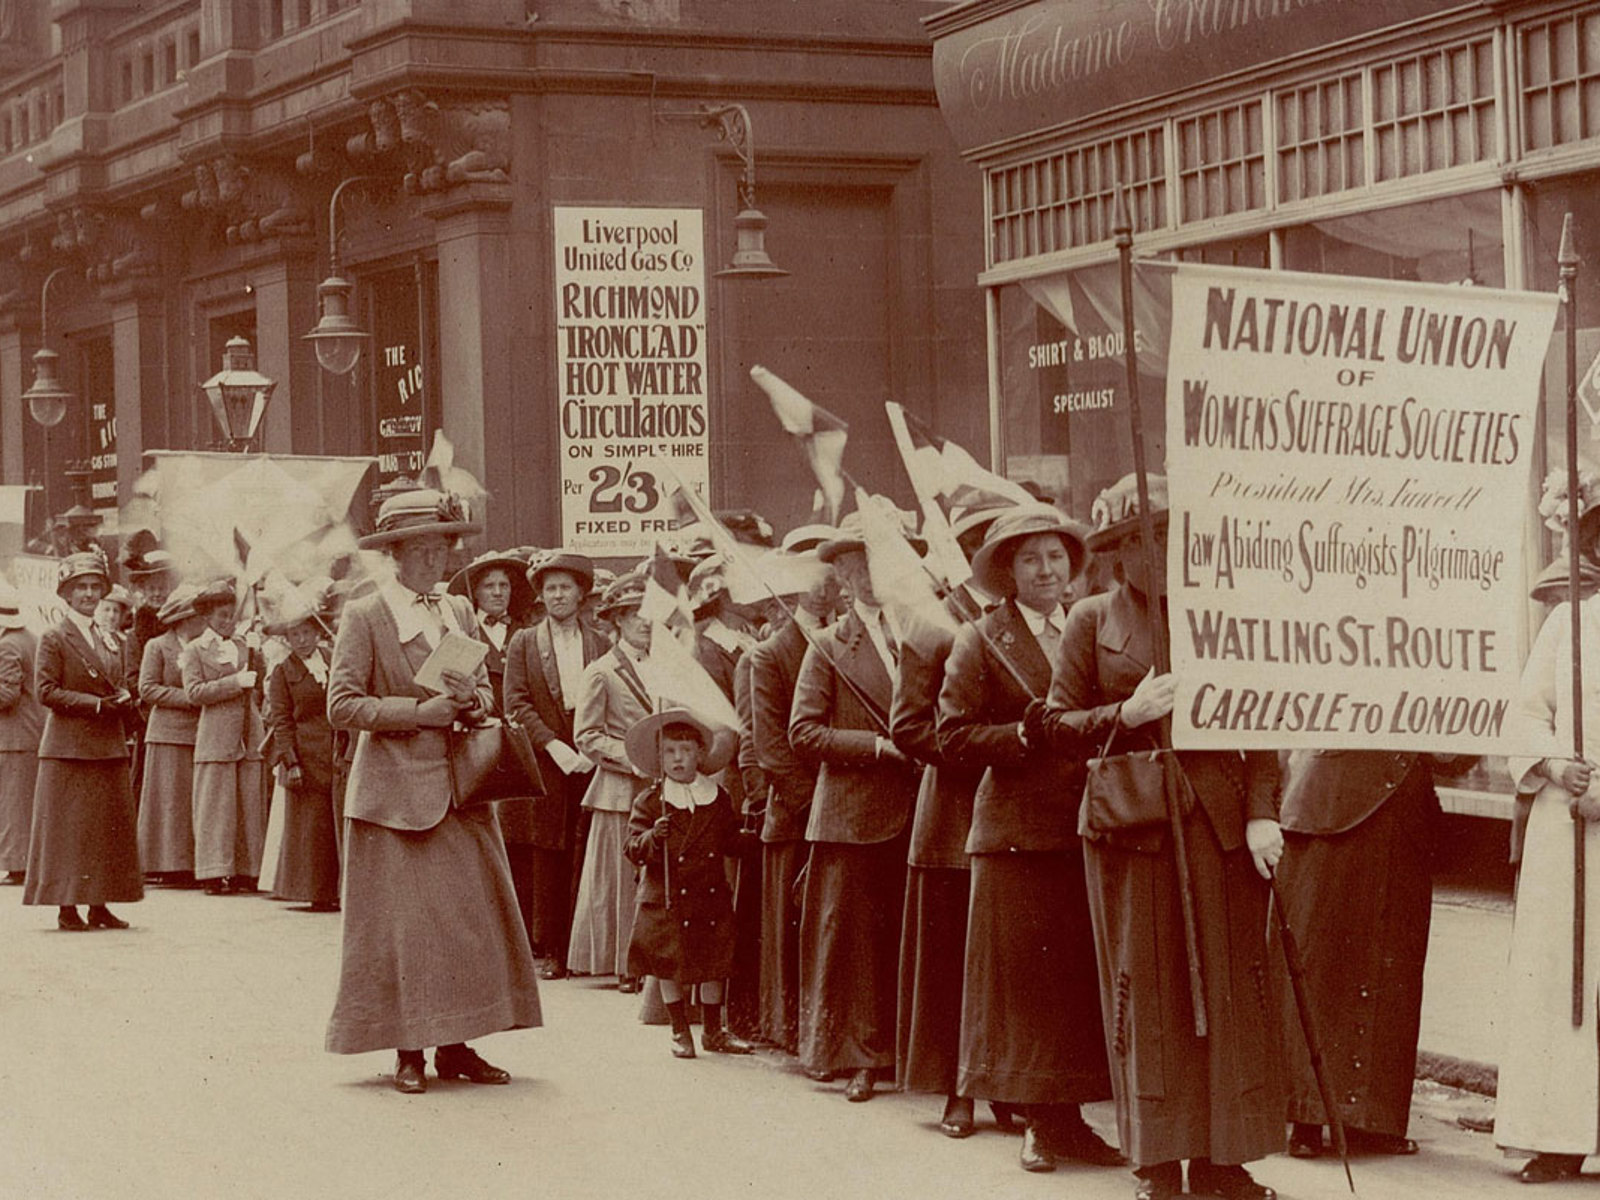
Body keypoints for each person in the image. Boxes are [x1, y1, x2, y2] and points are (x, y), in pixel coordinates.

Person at [1024, 474, 1285, 1200]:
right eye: (1142, 538)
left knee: (1229, 995)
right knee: (1150, 998)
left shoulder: (1223, 613)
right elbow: (1055, 729)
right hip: (1136, 832)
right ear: (1114, 552)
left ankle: (1222, 1159)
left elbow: (1259, 723)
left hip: (1221, 829)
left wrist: (1263, 809)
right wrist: (1131, 713)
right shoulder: (1090, 622)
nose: (1160, 551)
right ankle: (1157, 1163)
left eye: (1171, 534)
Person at [325, 486, 541, 1094]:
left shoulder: (460, 613)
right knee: (406, 930)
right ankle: (408, 1050)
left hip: (460, 788)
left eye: (440, 548)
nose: (432, 560)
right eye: (418, 550)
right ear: (393, 554)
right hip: (394, 797)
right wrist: (423, 713)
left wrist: (474, 701)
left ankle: (458, 1043)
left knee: (467, 923)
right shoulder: (366, 615)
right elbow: (341, 706)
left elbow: (484, 693)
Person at [939, 506, 1119, 1169]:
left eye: (1056, 557)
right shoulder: (981, 640)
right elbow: (951, 737)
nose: (1047, 570)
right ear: (1007, 574)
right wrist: (1022, 735)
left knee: (1076, 981)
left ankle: (1073, 1119)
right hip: (1016, 830)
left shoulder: (1095, 627)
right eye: (1030, 560)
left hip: (1090, 825)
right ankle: (1039, 1123)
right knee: (1028, 986)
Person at [1277, 750, 1468, 1160]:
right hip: (1327, 807)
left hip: (1401, 817)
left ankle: (1372, 1118)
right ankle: (1307, 1114)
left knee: (1391, 965)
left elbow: (1455, 753)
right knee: (1318, 958)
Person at [789, 516, 921, 1102]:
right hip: (853, 814)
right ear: (842, 574)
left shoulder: (922, 634)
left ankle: (908, 1051)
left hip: (920, 809)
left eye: (883, 561)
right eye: (860, 564)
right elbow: (804, 733)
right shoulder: (827, 645)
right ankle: (860, 1054)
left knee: (907, 934)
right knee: (859, 941)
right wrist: (876, 747)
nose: (872, 576)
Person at [1497, 491, 1600, 1182]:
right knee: (1559, 982)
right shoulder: (1570, 626)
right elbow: (1523, 718)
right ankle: (1557, 1135)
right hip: (1568, 836)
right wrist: (1560, 764)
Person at [748, 530, 838, 1053]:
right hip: (798, 810)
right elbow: (771, 748)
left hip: (845, 810)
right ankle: (791, 1029)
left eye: (832, 580)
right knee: (792, 925)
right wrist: (810, 803)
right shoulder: (772, 654)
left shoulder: (850, 639)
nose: (826, 591)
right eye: (817, 581)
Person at [623, 707, 756, 1058]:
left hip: (708, 893)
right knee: (668, 962)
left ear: (700, 753)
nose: (678, 758)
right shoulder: (651, 801)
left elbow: (727, 839)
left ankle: (713, 1030)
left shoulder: (716, 797)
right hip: (666, 896)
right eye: (669, 751)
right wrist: (653, 836)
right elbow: (632, 848)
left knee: (714, 961)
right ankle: (680, 1030)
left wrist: (752, 835)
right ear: (659, 757)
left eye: (685, 751)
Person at [23, 549, 143, 931]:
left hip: (107, 745)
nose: (90, 595)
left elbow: (118, 681)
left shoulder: (110, 638)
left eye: (95, 587)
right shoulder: (55, 637)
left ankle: (100, 903)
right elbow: (46, 691)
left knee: (105, 827)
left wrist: (123, 700)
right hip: (69, 747)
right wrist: (95, 705)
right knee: (70, 829)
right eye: (81, 588)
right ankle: (67, 906)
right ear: (67, 594)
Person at [503, 550, 607, 979]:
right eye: (550, 589)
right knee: (547, 852)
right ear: (541, 597)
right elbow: (515, 702)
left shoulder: (600, 640)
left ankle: (580, 948)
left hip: (590, 751)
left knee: (584, 846)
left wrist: (590, 744)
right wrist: (551, 745)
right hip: (546, 759)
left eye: (566, 587)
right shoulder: (525, 641)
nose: (558, 596)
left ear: (582, 593)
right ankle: (547, 948)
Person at [449, 550, 540, 939]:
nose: (498, 592)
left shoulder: (525, 631)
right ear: (476, 595)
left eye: (504, 585)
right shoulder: (465, 636)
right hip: (481, 742)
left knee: (522, 835)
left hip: (521, 745)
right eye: (489, 586)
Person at [570, 574, 654, 988]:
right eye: (634, 615)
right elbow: (586, 736)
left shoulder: (667, 666)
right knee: (620, 879)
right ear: (617, 620)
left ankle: (655, 962)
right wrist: (633, 759)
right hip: (621, 788)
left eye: (649, 613)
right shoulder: (602, 670)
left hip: (664, 782)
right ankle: (624, 962)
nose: (645, 622)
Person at [182, 581, 267, 895]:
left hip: (249, 730)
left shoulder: (244, 645)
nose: (227, 621)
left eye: (231, 615)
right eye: (221, 616)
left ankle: (248, 869)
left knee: (249, 803)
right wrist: (234, 682)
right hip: (216, 733)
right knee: (215, 805)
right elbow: (194, 693)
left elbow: (260, 682)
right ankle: (214, 871)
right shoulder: (195, 649)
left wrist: (258, 657)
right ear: (207, 617)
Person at [264, 610, 340, 911]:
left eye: (306, 633)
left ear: (317, 632)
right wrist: (291, 762)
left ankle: (342, 889)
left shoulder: (334, 660)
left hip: (338, 750)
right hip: (307, 757)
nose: (302, 640)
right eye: (294, 635)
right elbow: (281, 721)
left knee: (338, 823)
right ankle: (317, 893)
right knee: (314, 829)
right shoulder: (283, 672)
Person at [136, 584, 206, 886]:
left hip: (198, 732)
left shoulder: (205, 647)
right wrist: (190, 697)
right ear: (182, 619)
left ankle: (190, 862)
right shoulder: (158, 646)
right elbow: (147, 688)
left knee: (190, 799)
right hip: (166, 732)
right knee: (168, 802)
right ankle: (166, 863)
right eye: (197, 616)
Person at [0, 585, 40, 887]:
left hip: (14, 735)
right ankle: (21, 861)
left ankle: (17, 864)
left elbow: (7, 694)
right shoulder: (30, 638)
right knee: (24, 800)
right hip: (31, 731)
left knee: (14, 801)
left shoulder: (6, 645)